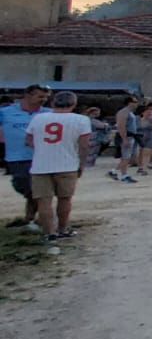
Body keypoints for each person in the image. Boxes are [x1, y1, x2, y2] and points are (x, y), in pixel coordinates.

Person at [24, 91, 92, 253]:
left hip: (41, 165)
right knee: (65, 199)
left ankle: (49, 233)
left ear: (54, 103)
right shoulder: (81, 120)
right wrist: (81, 164)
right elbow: (84, 145)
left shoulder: (39, 118)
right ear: (73, 104)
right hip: (67, 164)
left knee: (44, 201)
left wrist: (42, 148)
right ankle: (63, 228)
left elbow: (29, 140)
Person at [2, 84, 49, 230]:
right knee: (22, 184)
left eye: (46, 97)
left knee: (37, 188)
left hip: (42, 156)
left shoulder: (48, 113)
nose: (44, 100)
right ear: (28, 95)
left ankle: (33, 218)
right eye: (40, 96)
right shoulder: (5, 112)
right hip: (16, 156)